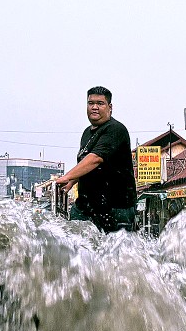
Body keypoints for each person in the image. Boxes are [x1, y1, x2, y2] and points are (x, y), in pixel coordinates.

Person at [53, 86, 137, 233]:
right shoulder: (87, 133)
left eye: (100, 103)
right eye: (91, 103)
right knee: (76, 248)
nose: (95, 107)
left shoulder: (116, 129)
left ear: (109, 107)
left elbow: (96, 159)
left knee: (115, 253)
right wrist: (72, 181)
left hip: (115, 209)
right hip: (86, 207)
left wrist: (67, 176)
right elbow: (86, 164)